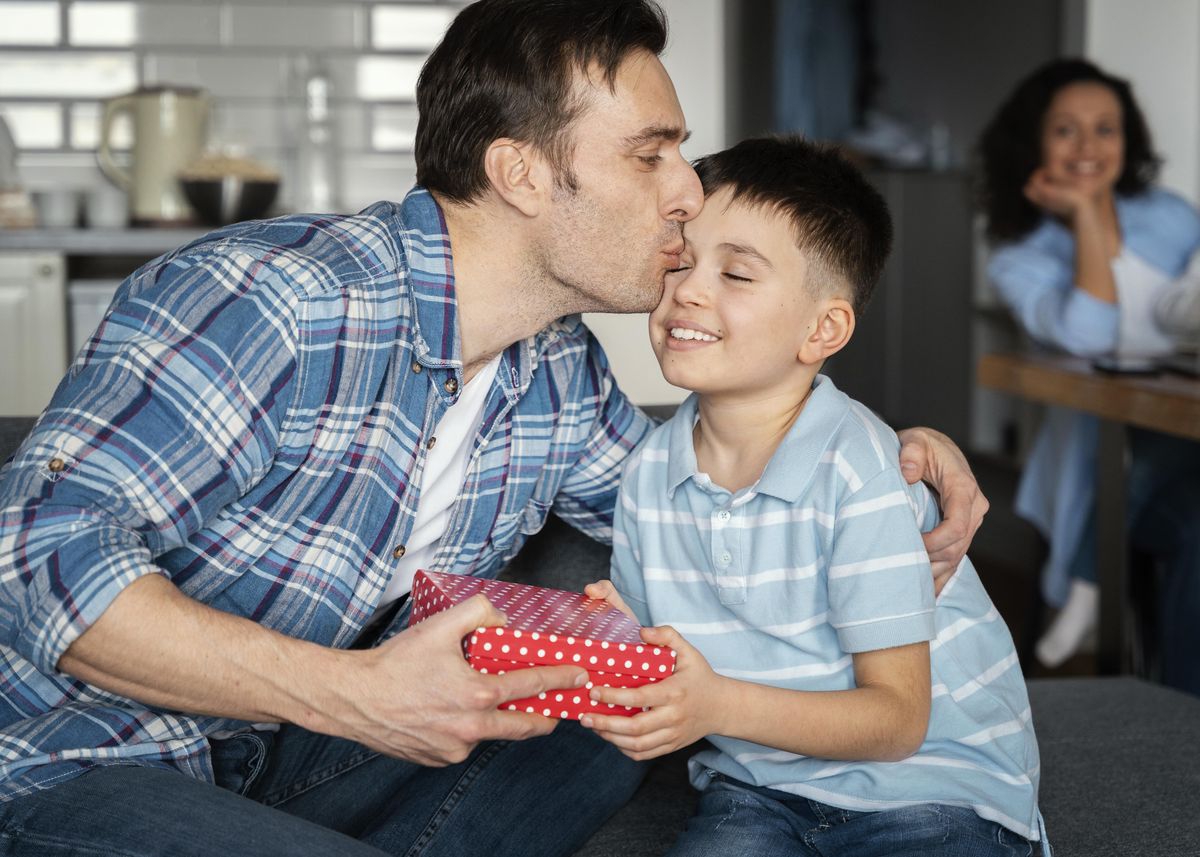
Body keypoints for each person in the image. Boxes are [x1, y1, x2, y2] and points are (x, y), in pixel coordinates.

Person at [0, 2, 988, 854]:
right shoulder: (273, 297)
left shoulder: (553, 367)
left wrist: (875, 453)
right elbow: (35, 550)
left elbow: (703, 503)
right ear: (521, 174)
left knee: (607, 691)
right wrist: (355, 692)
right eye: (653, 153)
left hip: (282, 752)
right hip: (77, 754)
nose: (689, 190)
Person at [583, 136, 1045, 856]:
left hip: (928, 786)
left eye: (736, 272)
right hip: (756, 785)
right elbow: (662, 652)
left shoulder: (858, 469)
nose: (689, 289)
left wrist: (716, 703)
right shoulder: (648, 474)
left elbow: (897, 721)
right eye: (681, 259)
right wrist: (613, 636)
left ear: (822, 328)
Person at [978, 58, 1200, 684]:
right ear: (1033, 140)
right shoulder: (1020, 254)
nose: (1088, 147)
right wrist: (1085, 215)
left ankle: (1089, 583)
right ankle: (1182, 711)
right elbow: (1091, 333)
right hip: (1102, 456)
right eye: (1065, 130)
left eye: (1106, 129)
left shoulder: (1173, 217)